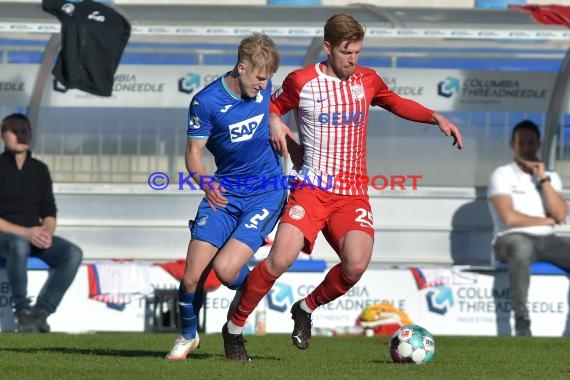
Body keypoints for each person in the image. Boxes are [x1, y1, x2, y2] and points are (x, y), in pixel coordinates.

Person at [221, 13, 463, 361]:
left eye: (358, 53)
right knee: (280, 259)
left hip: (352, 194)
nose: (353, 60)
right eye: (347, 52)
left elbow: (396, 102)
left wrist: (436, 116)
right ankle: (234, 329)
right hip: (311, 189)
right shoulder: (302, 81)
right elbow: (270, 105)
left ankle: (305, 308)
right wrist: (276, 121)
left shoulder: (368, 80)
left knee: (356, 264)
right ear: (328, 48)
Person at [165, 33, 288, 360]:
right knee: (191, 278)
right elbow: (193, 153)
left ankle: (246, 306)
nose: (263, 86)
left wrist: (276, 119)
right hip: (223, 193)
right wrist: (206, 183)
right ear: (241, 67)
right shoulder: (205, 102)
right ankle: (188, 336)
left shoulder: (264, 88)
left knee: (226, 270)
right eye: (259, 78)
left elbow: (281, 103)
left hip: (266, 192)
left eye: (267, 79)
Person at [0, 113, 83, 333]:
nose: (20, 135)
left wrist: (46, 231)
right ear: (3, 136)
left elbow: (49, 210)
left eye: (24, 130)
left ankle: (41, 312)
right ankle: (23, 311)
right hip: (6, 237)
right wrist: (26, 233)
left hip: (33, 236)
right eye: (14, 131)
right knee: (17, 244)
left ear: (31, 135)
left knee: (72, 253)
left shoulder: (39, 169)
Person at [488, 119, 570, 337]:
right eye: (521, 143)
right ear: (512, 144)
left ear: (539, 144)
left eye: (531, 142)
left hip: (547, 240)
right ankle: (522, 322)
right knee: (521, 248)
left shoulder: (550, 176)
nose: (526, 147)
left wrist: (543, 179)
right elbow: (509, 218)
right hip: (510, 239)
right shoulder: (502, 174)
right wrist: (546, 220)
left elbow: (561, 214)